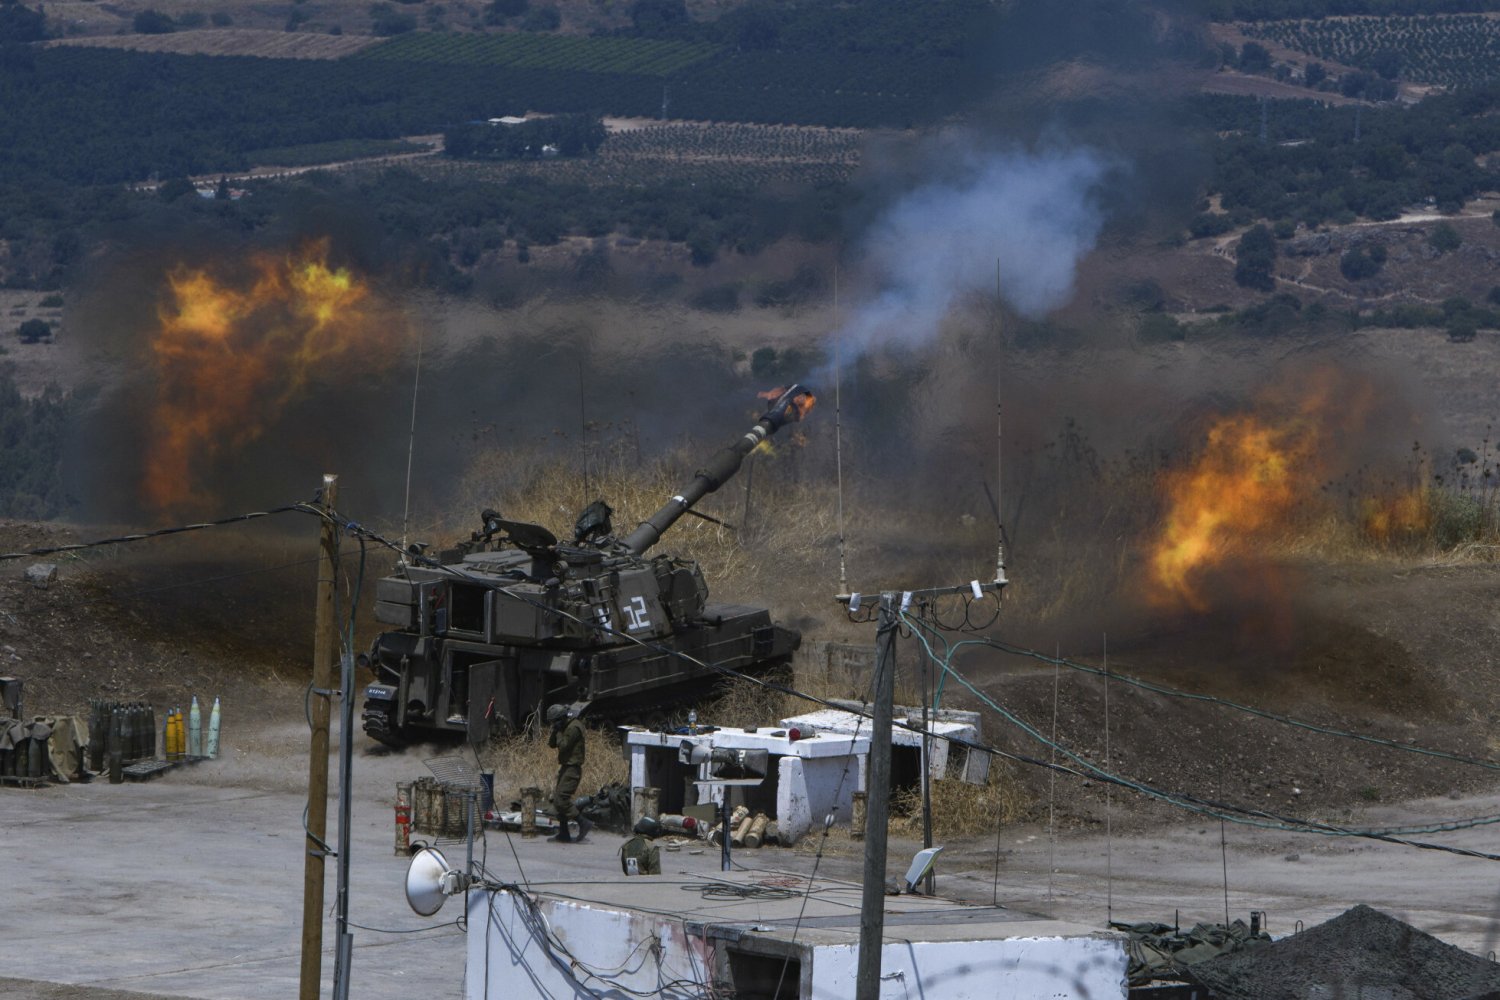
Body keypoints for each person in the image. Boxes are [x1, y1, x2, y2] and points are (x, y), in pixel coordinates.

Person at [546, 703, 590, 842]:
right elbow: (552, 744)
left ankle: (583, 823)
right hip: (566, 767)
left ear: (561, 718)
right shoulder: (565, 725)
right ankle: (564, 833)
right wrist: (555, 730)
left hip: (573, 768)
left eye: (555, 721)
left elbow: (563, 746)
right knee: (559, 800)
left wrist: (559, 731)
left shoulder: (574, 727)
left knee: (561, 800)